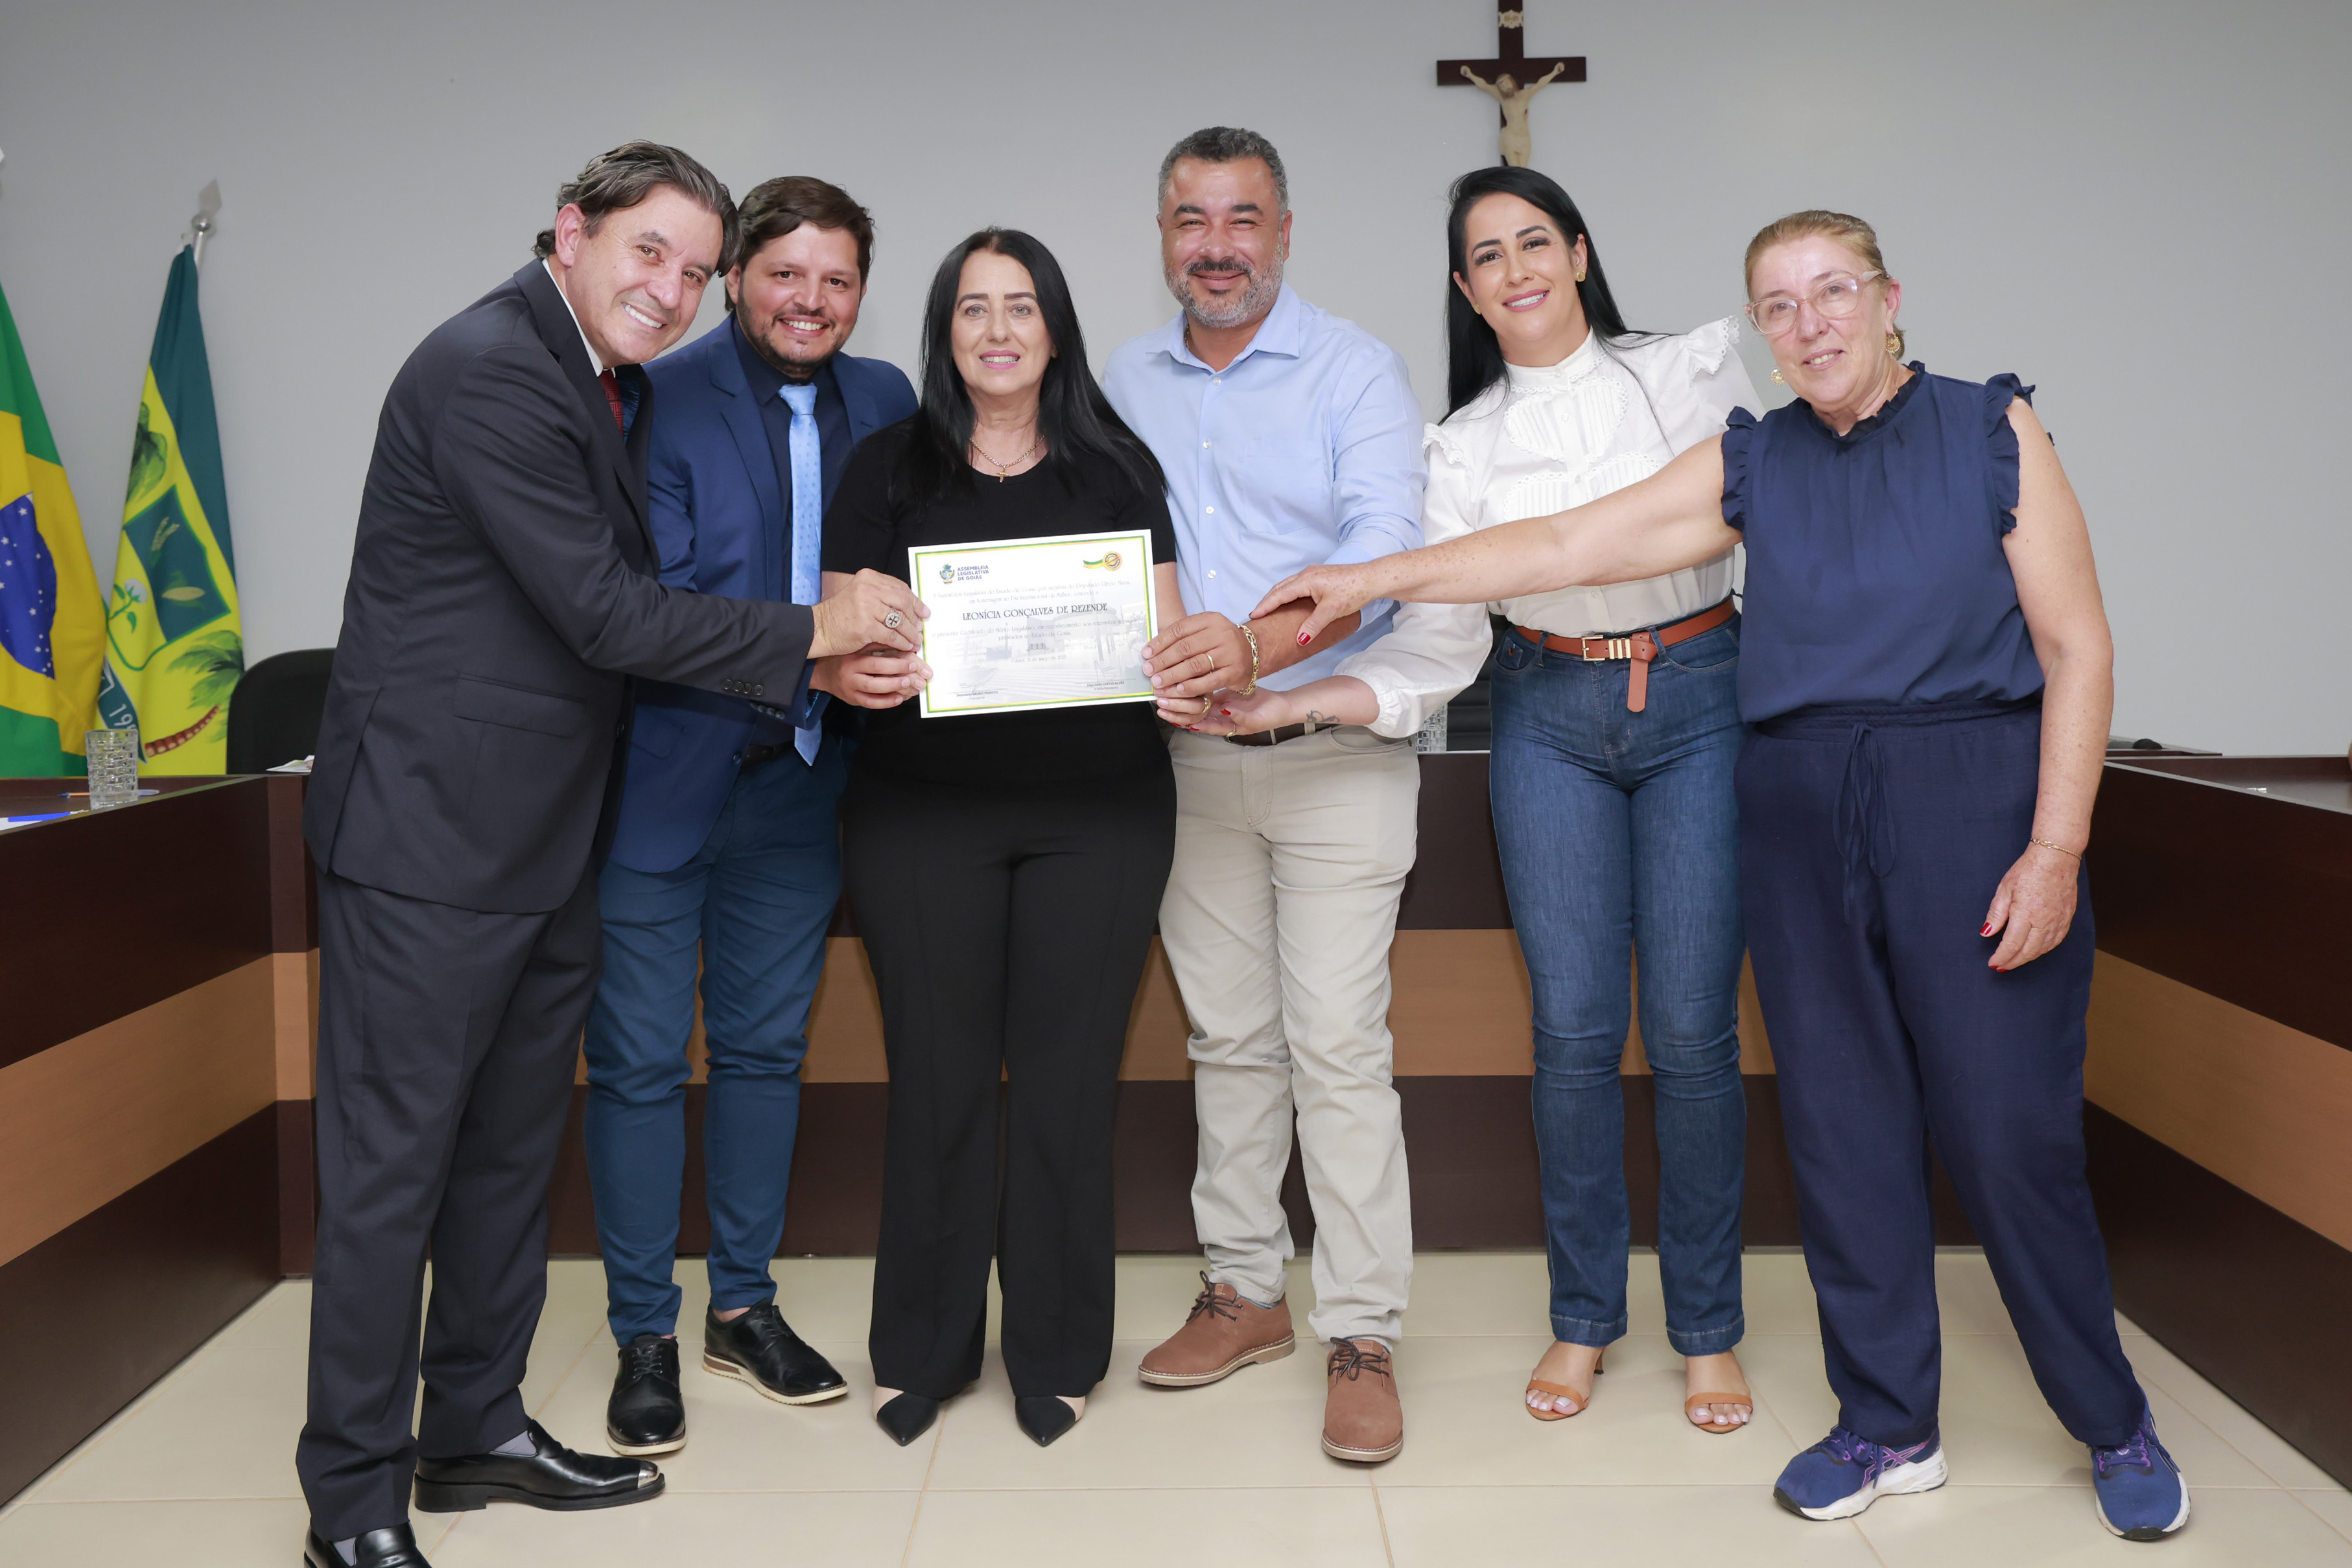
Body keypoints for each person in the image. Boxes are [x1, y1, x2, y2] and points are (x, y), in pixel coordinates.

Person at [1255, 209, 2190, 1541]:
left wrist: (2055, 848)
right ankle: (1888, 1422)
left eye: (1832, 292)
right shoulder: (1753, 459)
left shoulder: (1991, 426)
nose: (1809, 323)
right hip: (1797, 804)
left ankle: (2111, 1420)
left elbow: (2077, 645)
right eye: (1779, 305)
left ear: (1887, 299)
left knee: (2006, 1135)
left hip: (1970, 799)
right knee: (1843, 1133)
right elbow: (1562, 548)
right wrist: (1368, 579)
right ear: (1760, 330)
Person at [295, 143, 924, 1568]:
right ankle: (351, 1502)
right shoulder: (491, 369)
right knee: (391, 1179)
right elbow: (604, 611)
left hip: (543, 836)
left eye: (693, 270)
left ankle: (473, 1430)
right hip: (427, 839)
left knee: (504, 1161)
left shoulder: (596, 380)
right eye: (651, 253)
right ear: (571, 231)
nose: (671, 289)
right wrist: (816, 632)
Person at [1103, 126, 1441, 1466]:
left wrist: (1254, 648)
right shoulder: (1122, 379)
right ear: (1163, 235)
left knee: (1338, 1045)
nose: (1217, 246)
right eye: (1191, 219)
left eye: (1242, 218)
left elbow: (1383, 552)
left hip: (1331, 753)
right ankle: (1244, 1291)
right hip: (1185, 762)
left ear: (1284, 232)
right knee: (1228, 1039)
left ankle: (1361, 1331)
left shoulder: (1354, 369)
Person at [826, 228, 1182, 1451]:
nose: (997, 329)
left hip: (1102, 813)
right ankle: (922, 1351)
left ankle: (1059, 1351)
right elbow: (834, 629)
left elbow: (1165, 630)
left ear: (1055, 329)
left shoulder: (1117, 467)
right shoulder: (886, 466)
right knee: (937, 1080)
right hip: (921, 811)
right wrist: (855, 666)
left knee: (1068, 1086)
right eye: (972, 308)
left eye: (1020, 306)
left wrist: (1180, 663)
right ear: (945, 332)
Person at [1420, 167, 1758, 1433]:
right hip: (1545, 709)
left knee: (1690, 1032)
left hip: (1700, 693)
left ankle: (1708, 1330)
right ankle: (1582, 1319)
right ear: (1465, 289)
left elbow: (1736, 521)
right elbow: (1441, 642)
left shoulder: (1685, 372)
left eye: (1533, 242)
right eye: (1486, 255)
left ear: (1576, 251)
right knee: (1569, 1032)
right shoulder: (1458, 445)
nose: (1514, 270)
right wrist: (1295, 685)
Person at [587, 175, 919, 1459]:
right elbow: (653, 603)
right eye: (785, 274)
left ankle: (741, 1308)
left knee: (766, 1052)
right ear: (735, 279)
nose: (810, 301)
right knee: (636, 1063)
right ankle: (641, 1332)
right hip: (659, 780)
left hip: (803, 783)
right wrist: (818, 661)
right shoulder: (655, 392)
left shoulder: (887, 400)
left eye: (837, 280)